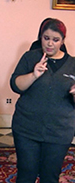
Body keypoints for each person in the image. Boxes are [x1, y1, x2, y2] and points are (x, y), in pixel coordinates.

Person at [10, 18, 75, 183]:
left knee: (50, 176)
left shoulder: (73, 64)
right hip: (26, 129)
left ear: (62, 41)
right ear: (40, 37)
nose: (50, 44)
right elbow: (16, 85)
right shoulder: (30, 57)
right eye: (46, 38)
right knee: (26, 174)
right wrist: (33, 75)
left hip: (59, 132)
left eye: (55, 40)